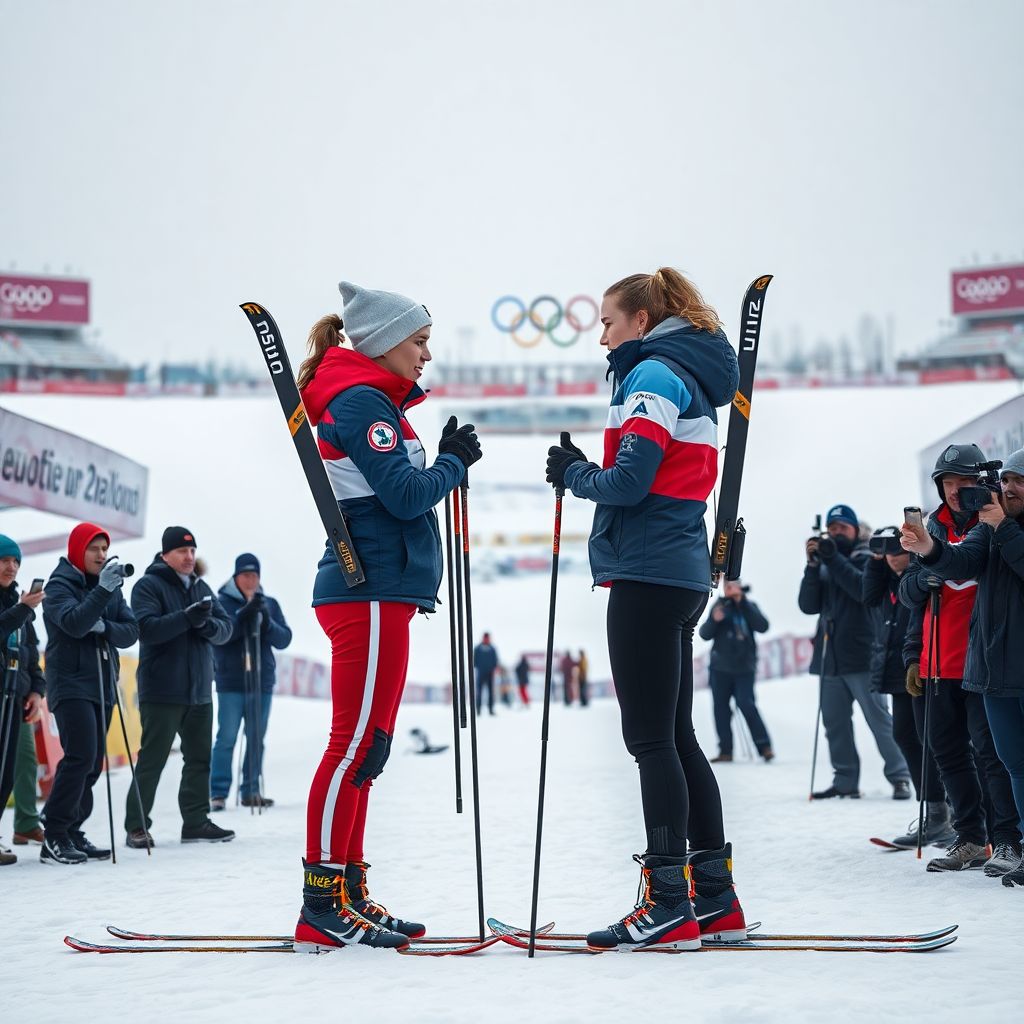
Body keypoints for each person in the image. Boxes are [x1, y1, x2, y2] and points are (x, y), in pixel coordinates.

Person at [545, 266, 745, 950]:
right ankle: (713, 899)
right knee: (676, 735)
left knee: (651, 739)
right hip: (672, 568)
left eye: (607, 322)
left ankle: (668, 901)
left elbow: (629, 483)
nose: (601, 336)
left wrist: (573, 474)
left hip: (650, 572)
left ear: (640, 319)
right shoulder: (675, 371)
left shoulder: (655, 374)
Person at [292, 281, 481, 951]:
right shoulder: (361, 398)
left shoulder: (374, 399)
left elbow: (397, 485)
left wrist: (445, 460)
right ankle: (321, 902)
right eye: (419, 341)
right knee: (351, 747)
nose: (427, 355)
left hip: (384, 590)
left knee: (368, 751)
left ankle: (346, 889)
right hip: (365, 589)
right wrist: (453, 463)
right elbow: (403, 497)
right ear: (381, 342)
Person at [901, 448, 1024, 883]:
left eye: (963, 481)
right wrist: (927, 557)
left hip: (987, 662)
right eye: (947, 482)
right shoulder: (938, 524)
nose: (956, 491)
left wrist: (998, 526)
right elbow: (913, 593)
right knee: (950, 753)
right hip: (949, 661)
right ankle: (972, 835)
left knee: (994, 757)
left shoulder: (993, 521)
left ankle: (1006, 837)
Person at [125, 526, 234, 848]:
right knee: (153, 759)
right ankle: (136, 826)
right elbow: (146, 629)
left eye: (192, 551)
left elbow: (226, 629)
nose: (189, 557)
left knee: (200, 759)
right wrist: (187, 618)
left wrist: (205, 624)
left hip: (200, 691)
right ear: (165, 555)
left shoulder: (202, 587)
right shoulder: (148, 585)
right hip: (162, 690)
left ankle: (196, 822)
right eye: (182, 552)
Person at [39, 523, 139, 864]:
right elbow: (74, 623)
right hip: (70, 683)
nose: (101, 555)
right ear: (77, 550)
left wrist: (106, 626)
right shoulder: (59, 585)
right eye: (93, 549)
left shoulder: (108, 585)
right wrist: (101, 597)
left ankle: (71, 829)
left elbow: (130, 631)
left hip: (100, 683)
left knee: (93, 764)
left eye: (104, 549)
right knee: (80, 756)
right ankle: (53, 833)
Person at [800, 504, 911, 799]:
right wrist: (812, 566)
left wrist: (832, 558)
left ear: (854, 530)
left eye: (842, 527)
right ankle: (845, 779)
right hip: (829, 657)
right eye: (832, 528)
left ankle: (900, 775)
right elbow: (808, 605)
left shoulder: (868, 557)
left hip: (863, 653)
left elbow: (861, 591)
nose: (836, 533)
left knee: (880, 721)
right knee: (835, 723)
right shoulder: (825, 561)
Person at [862, 527, 951, 848]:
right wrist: (874, 561)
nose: (893, 558)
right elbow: (868, 597)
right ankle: (935, 811)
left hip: (928, 663)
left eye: (898, 551)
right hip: (899, 669)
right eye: (887, 553)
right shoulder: (885, 578)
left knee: (937, 739)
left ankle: (955, 813)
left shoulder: (921, 573)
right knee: (905, 735)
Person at [210, 553, 292, 810]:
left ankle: (251, 790)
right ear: (236, 577)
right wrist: (241, 617)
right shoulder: (221, 602)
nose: (250, 580)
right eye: (246, 575)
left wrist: (266, 621)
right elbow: (219, 636)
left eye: (255, 575)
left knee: (256, 737)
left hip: (261, 681)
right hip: (231, 681)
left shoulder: (269, 603)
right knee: (226, 737)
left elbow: (284, 638)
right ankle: (218, 793)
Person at [0, 535, 45, 867]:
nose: (11, 567)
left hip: (16, 696)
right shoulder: (21, 607)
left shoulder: (20, 603)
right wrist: (22, 609)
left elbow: (31, 655)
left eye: (16, 561)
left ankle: (25, 824)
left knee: (15, 767)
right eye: (4, 560)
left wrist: (37, 690)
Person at [699, 580, 773, 763]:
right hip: (720, 668)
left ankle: (764, 747)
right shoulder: (719, 607)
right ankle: (725, 750)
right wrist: (713, 620)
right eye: (727, 587)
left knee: (746, 704)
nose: (730, 589)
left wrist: (743, 602)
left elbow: (762, 626)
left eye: (733, 586)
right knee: (721, 710)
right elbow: (704, 633)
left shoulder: (749, 606)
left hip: (744, 668)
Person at [473, 631, 498, 716]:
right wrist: (478, 667)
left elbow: (495, 660)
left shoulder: (492, 648)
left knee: (491, 692)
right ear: (483, 638)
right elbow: (474, 660)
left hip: (490, 674)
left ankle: (490, 709)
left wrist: (494, 668)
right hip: (480, 673)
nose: (487, 639)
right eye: (485, 638)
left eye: (488, 638)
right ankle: (478, 709)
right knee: (479, 691)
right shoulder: (478, 648)